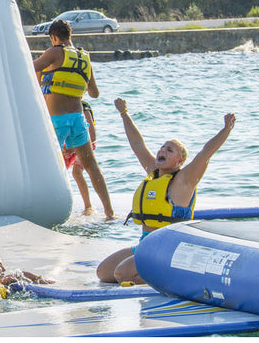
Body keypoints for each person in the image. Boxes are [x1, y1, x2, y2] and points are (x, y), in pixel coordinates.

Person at [97, 98, 236, 285]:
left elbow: (205, 153)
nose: (162, 150)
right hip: (146, 243)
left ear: (179, 161)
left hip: (168, 248)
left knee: (122, 274)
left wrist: (226, 130)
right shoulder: (153, 173)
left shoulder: (184, 181)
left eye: (169, 150)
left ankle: (174, 274)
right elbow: (137, 144)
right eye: (162, 147)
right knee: (103, 273)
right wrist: (124, 113)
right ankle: (154, 272)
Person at [33, 18, 115, 220]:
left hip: (57, 120)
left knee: (48, 166)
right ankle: (109, 212)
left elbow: (29, 67)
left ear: (54, 37)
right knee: (91, 166)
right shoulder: (84, 57)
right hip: (78, 119)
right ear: (71, 35)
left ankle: (44, 212)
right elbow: (94, 93)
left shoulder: (55, 52)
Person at [62, 100, 100, 216]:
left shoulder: (84, 108)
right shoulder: (62, 106)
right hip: (69, 145)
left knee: (77, 172)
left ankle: (88, 206)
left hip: (85, 144)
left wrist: (73, 149)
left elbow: (92, 137)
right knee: (60, 170)